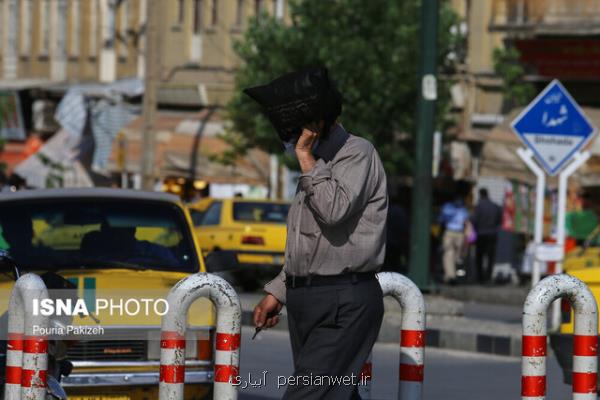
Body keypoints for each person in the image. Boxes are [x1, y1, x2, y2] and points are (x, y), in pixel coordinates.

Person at [245, 67, 388, 399]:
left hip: (343, 300)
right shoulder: (316, 165)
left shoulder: (357, 153)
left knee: (307, 394)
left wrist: (307, 158)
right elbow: (308, 241)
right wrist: (278, 291)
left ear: (317, 123)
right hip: (307, 298)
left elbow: (333, 211)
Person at [472, 188, 502, 284]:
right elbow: (499, 220)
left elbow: (474, 220)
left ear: (480, 194)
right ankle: (488, 277)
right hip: (492, 234)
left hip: (481, 234)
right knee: (490, 257)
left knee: (479, 256)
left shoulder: (479, 206)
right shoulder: (495, 206)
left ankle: (480, 277)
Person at [438, 194, 469, 284]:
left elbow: (441, 219)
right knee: (452, 254)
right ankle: (451, 276)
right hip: (457, 233)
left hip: (453, 232)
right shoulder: (461, 209)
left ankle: (451, 276)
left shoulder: (449, 207)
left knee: (453, 255)